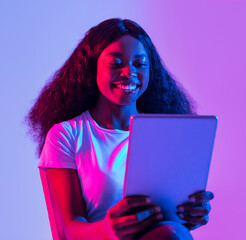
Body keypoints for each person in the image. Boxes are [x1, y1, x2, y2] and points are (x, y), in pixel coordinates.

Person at [26, 18, 214, 240]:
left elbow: (169, 220)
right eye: (115, 63)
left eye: (140, 64)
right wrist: (107, 229)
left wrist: (190, 215)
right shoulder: (67, 135)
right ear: (91, 69)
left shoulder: (166, 135)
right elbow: (68, 231)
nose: (129, 73)